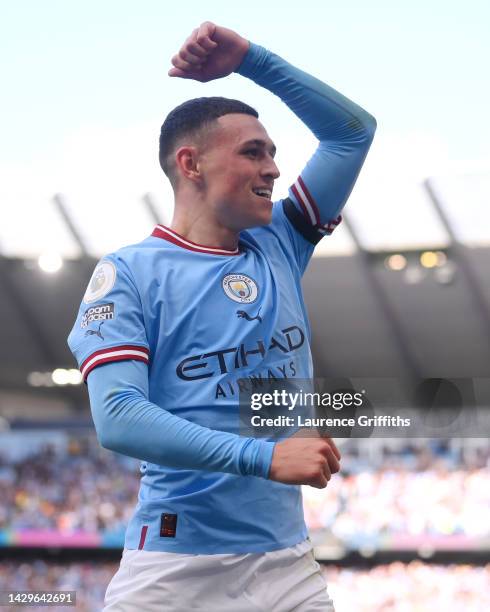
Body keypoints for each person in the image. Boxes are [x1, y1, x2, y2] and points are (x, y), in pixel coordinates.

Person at [68, 21, 376, 611]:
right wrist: (265, 457)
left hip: (288, 564)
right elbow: (119, 418)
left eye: (273, 154)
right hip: (175, 568)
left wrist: (249, 59)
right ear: (192, 164)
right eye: (253, 152)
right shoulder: (129, 273)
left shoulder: (280, 241)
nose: (274, 170)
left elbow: (351, 134)